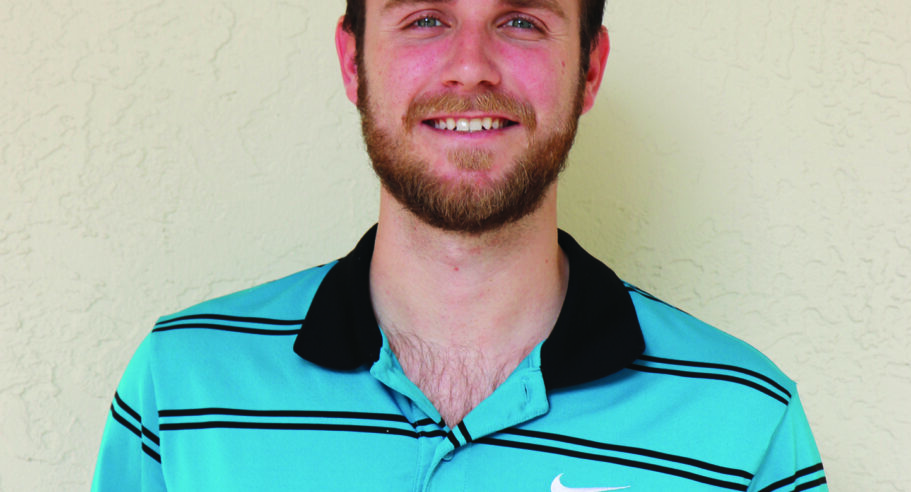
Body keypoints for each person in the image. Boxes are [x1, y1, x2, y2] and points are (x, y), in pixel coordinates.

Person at [92, 0, 828, 490]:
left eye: (519, 20)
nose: (470, 65)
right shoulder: (182, 386)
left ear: (589, 68)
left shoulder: (743, 413)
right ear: (353, 64)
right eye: (424, 18)